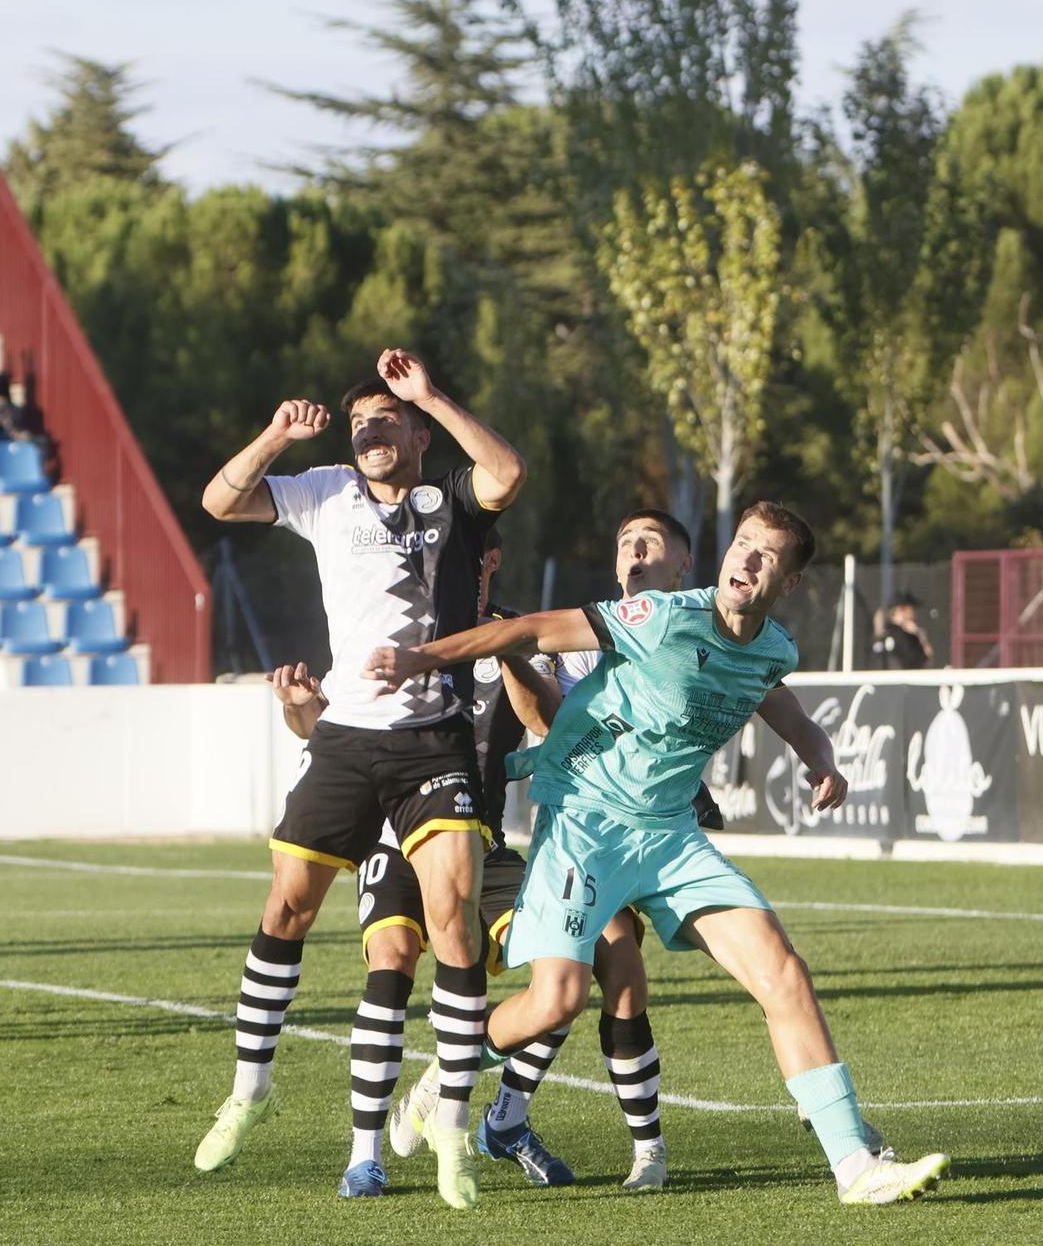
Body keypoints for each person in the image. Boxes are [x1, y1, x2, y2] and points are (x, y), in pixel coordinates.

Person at [363, 502, 951, 1207]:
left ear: (788, 582)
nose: (748, 559)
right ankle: (448, 1070)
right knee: (559, 999)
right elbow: (529, 629)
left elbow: (781, 704)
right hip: (586, 824)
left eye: (767, 555)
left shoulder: (773, 648)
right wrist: (418, 658)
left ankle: (855, 1165)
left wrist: (820, 755)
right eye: (743, 544)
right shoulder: (666, 616)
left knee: (782, 972)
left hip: (670, 835)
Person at [192, 350, 526, 1211]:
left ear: (416, 431)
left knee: (452, 922)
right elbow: (220, 500)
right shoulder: (325, 489)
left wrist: (430, 395)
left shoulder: (451, 497)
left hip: (433, 740)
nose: (371, 430)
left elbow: (508, 470)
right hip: (346, 736)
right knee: (285, 909)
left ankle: (449, 1119)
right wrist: (275, 433)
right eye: (360, 422)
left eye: (388, 418)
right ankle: (250, 1091)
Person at [264, 529, 583, 1198]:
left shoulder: (517, 633)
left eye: (455, 557)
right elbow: (334, 733)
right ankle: (364, 1154)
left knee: (568, 971)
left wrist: (510, 647)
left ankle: (499, 1114)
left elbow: (550, 725)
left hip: (482, 843)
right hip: (392, 837)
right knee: (392, 962)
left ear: (488, 560)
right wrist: (301, 711)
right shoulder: (383, 626)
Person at [871, 591, 933, 670]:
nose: (914, 613)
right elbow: (925, 662)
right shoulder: (905, 636)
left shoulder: (884, 634)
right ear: (902, 609)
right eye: (912, 609)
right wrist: (920, 635)